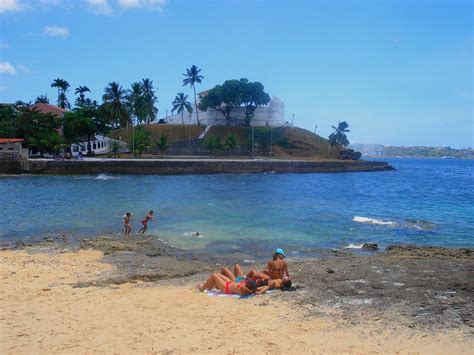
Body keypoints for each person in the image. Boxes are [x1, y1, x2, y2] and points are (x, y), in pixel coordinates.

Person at [196, 273, 262, 296]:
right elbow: (259, 288)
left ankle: (202, 289)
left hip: (226, 288)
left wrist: (251, 290)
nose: (246, 281)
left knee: (214, 275)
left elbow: (245, 289)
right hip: (229, 283)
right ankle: (209, 287)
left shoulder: (244, 291)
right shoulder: (248, 288)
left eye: (247, 282)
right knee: (217, 275)